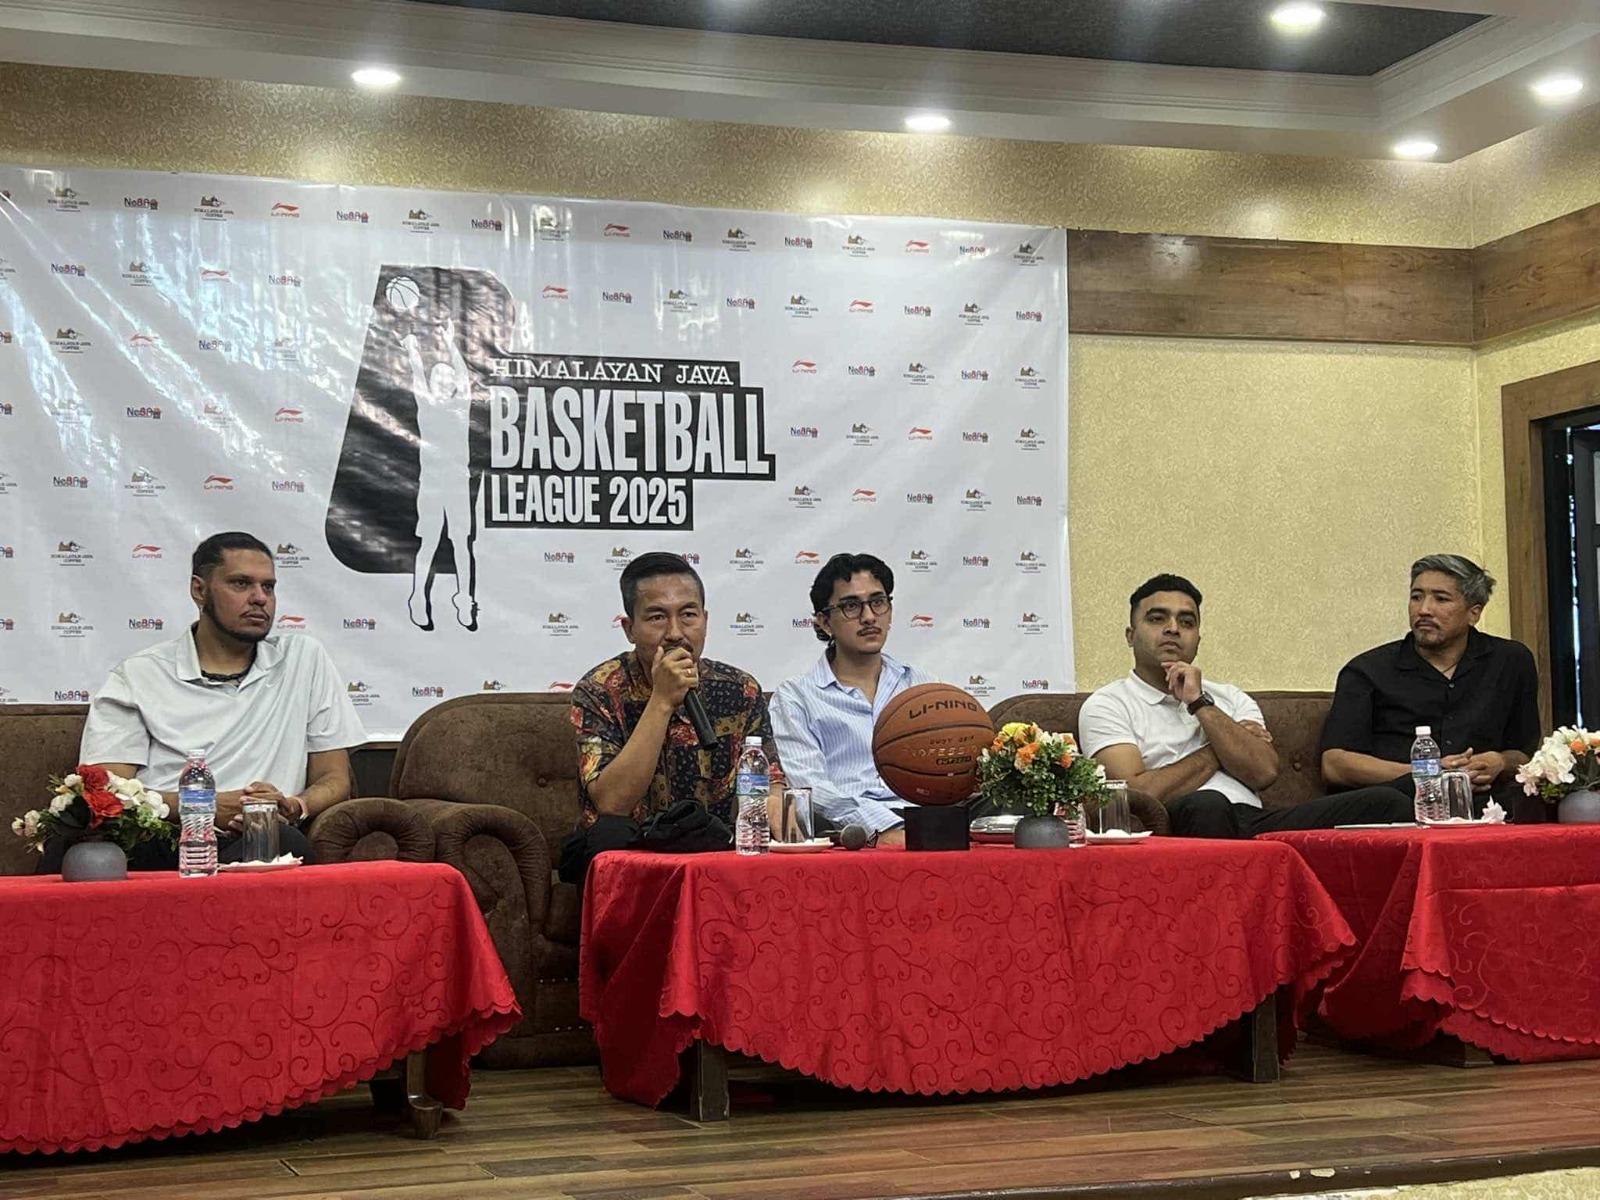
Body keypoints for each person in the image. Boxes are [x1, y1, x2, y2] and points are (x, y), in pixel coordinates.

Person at [44, 531, 367, 871]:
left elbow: (334, 777)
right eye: (241, 584)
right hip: (162, 836)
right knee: (72, 848)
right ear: (199, 590)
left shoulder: (303, 659)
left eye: (268, 587)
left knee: (284, 842)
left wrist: (293, 805)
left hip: (252, 838)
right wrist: (203, 806)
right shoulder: (139, 675)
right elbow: (107, 793)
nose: (260, 598)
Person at [1079, 574, 1412, 838]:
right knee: (1207, 804)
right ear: (1130, 635)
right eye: (1157, 618)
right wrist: (1222, 748)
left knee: (1389, 801)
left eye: (1187, 622)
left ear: (1198, 639)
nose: (1173, 629)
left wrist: (1199, 703)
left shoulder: (1228, 697)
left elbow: (1264, 772)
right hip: (1182, 824)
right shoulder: (1109, 704)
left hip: (1256, 821)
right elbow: (1135, 795)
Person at [563, 552, 783, 884]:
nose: (675, 633)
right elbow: (612, 802)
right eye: (657, 617)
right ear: (629, 629)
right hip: (632, 846)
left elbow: (769, 783)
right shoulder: (599, 691)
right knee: (609, 833)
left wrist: (773, 803)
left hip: (712, 843)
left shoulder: (741, 690)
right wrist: (662, 700)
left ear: (705, 620)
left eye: (688, 615)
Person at [1321, 554, 1539, 799]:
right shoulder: (1367, 671)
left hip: (1486, 805)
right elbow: (1334, 765)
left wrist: (1500, 761)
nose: (1424, 610)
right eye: (1417, 597)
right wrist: (1429, 774)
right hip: (1397, 805)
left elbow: (1524, 754)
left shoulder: (1511, 661)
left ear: (1474, 613)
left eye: (1441, 599)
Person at [771, 552, 937, 846]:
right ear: (824, 622)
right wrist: (883, 828)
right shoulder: (796, 697)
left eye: (878, 602)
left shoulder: (921, 685)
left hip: (926, 821)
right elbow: (811, 788)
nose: (869, 617)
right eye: (851, 606)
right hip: (850, 834)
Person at [404, 320, 476, 631]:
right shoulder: (427, 405)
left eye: (448, 377)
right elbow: (417, 374)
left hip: (457, 485)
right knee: (429, 542)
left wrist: (449, 342)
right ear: (432, 384)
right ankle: (418, 596)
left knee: (461, 543)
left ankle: (464, 599)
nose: (445, 381)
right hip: (432, 486)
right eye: (438, 377)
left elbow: (465, 378)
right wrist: (412, 349)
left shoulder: (461, 406)